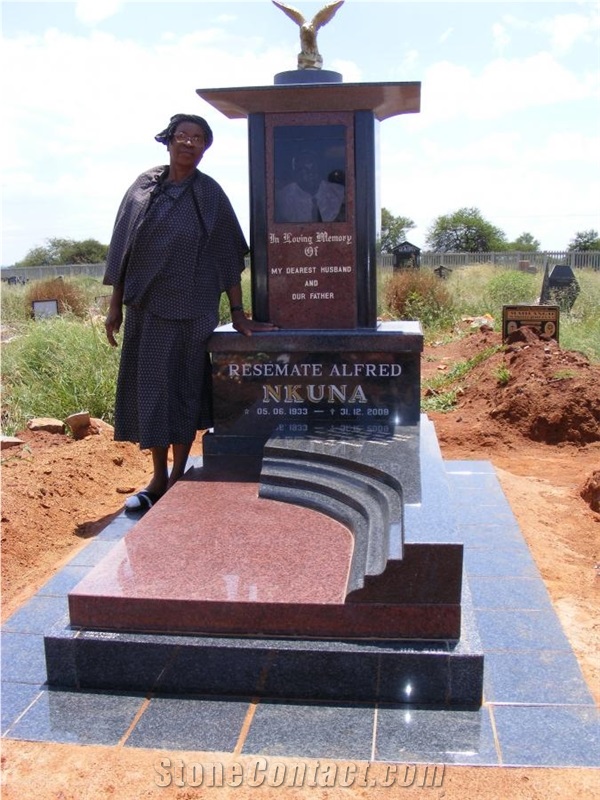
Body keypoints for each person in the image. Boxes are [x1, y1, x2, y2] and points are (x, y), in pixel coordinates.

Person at [103, 113, 277, 511]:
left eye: (198, 138)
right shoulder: (143, 187)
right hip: (145, 308)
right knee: (152, 391)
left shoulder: (209, 194)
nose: (189, 143)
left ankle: (180, 473)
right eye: (182, 136)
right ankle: (158, 477)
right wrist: (115, 304)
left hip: (192, 310)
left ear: (205, 148)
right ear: (168, 141)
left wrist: (238, 312)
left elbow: (229, 255)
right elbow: (122, 246)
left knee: (182, 390)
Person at [275, 148, 345, 223]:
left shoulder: (339, 193)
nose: (310, 173)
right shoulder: (283, 198)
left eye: (313, 168)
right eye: (304, 169)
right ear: (295, 174)